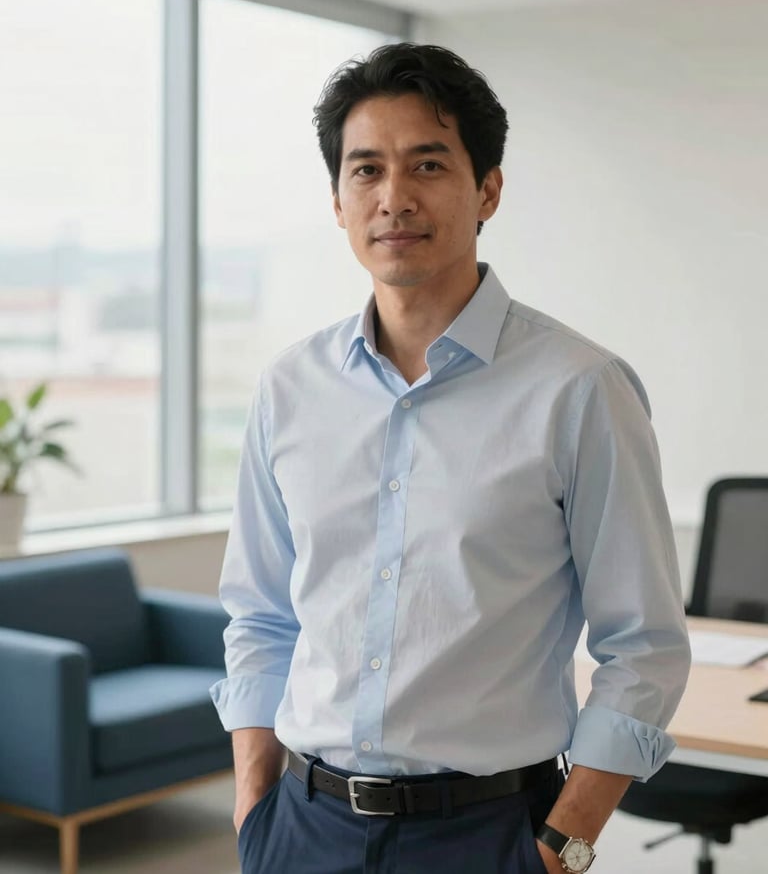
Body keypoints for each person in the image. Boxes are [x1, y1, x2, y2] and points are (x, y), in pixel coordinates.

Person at [210, 42, 691, 874]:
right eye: (366, 170)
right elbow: (261, 614)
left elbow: (643, 645)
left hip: (489, 834)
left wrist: (562, 847)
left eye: (427, 165)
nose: (394, 198)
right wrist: (255, 805)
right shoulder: (289, 388)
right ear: (338, 201)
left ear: (488, 190)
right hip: (301, 828)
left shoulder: (580, 389)